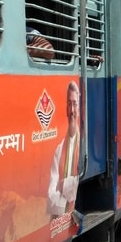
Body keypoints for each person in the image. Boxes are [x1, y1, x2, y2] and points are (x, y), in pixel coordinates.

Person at [47, 81, 81, 217]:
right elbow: (50, 200)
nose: (72, 110)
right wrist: (71, 189)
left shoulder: (84, 143)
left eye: (75, 104)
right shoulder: (59, 149)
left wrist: (64, 185)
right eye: (69, 104)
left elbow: (81, 179)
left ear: (79, 108)